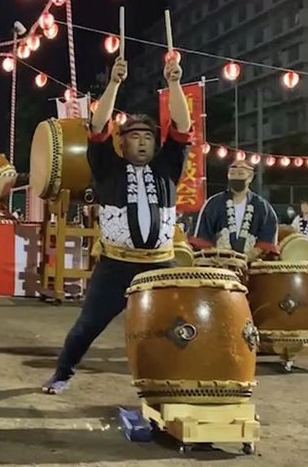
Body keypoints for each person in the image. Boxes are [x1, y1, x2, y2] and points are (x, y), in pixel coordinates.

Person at [42, 55, 192, 395]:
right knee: (89, 324)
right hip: (116, 264)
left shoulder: (168, 167)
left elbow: (182, 128)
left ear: (156, 144)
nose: (141, 141)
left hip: (160, 265)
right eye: (133, 137)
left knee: (178, 324)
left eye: (148, 137)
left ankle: (176, 378)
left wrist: (173, 83)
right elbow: (97, 128)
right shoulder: (107, 168)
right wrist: (113, 84)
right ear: (121, 143)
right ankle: (63, 373)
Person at [189, 160, 280, 260]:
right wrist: (216, 254)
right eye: (232, 173)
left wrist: (252, 254)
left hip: (251, 263)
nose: (236, 176)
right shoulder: (213, 203)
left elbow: (267, 237)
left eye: (240, 173)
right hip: (219, 263)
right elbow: (203, 236)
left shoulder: (263, 207)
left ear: (250, 177)